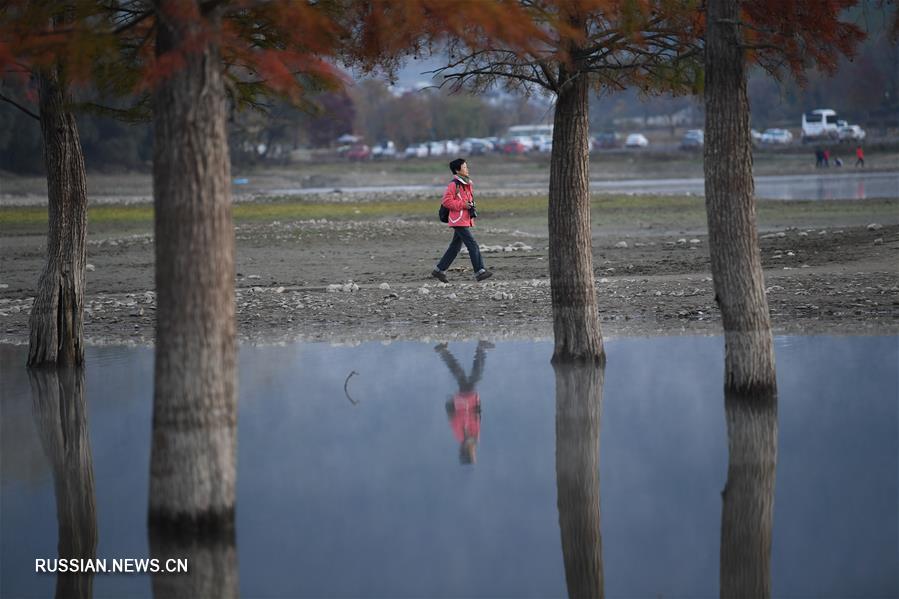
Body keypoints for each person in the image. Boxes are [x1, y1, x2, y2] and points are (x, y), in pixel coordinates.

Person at [431, 158, 493, 283]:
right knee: (472, 245)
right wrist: (464, 205)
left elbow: (464, 200)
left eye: (466, 166)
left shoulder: (466, 184)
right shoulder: (454, 184)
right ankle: (480, 272)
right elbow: (446, 201)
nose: (467, 169)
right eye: (465, 167)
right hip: (457, 219)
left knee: (455, 247)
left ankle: (439, 270)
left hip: (464, 219)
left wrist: (470, 205)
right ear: (457, 170)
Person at [436, 340, 493, 464]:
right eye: (474, 453)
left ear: (465, 450)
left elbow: (454, 419)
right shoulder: (475, 437)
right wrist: (477, 405)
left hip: (462, 400)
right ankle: (444, 352)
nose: (474, 450)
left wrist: (450, 406)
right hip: (470, 398)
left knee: (469, 375)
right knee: (463, 375)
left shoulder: (461, 435)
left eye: (472, 453)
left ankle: (480, 349)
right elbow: (477, 417)